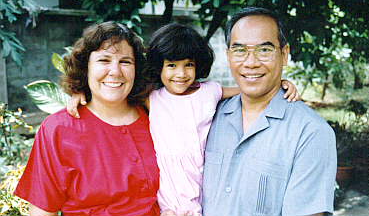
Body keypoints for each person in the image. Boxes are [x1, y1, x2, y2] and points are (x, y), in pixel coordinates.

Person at [67, 23, 300, 216]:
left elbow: (247, 89)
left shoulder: (210, 91)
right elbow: (114, 94)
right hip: (167, 193)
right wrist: (81, 92)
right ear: (159, 67)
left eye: (188, 65)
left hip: (203, 187)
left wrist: (279, 85)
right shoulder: (152, 97)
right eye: (171, 66)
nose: (181, 74)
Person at [14, 21, 160, 216]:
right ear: (86, 67)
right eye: (104, 60)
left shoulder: (158, 118)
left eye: (125, 61)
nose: (115, 71)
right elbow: (42, 212)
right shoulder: (59, 129)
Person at [202, 7, 337, 216]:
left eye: (264, 50)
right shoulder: (209, 116)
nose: (251, 62)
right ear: (228, 56)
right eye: (239, 50)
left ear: (284, 54)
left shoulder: (311, 133)